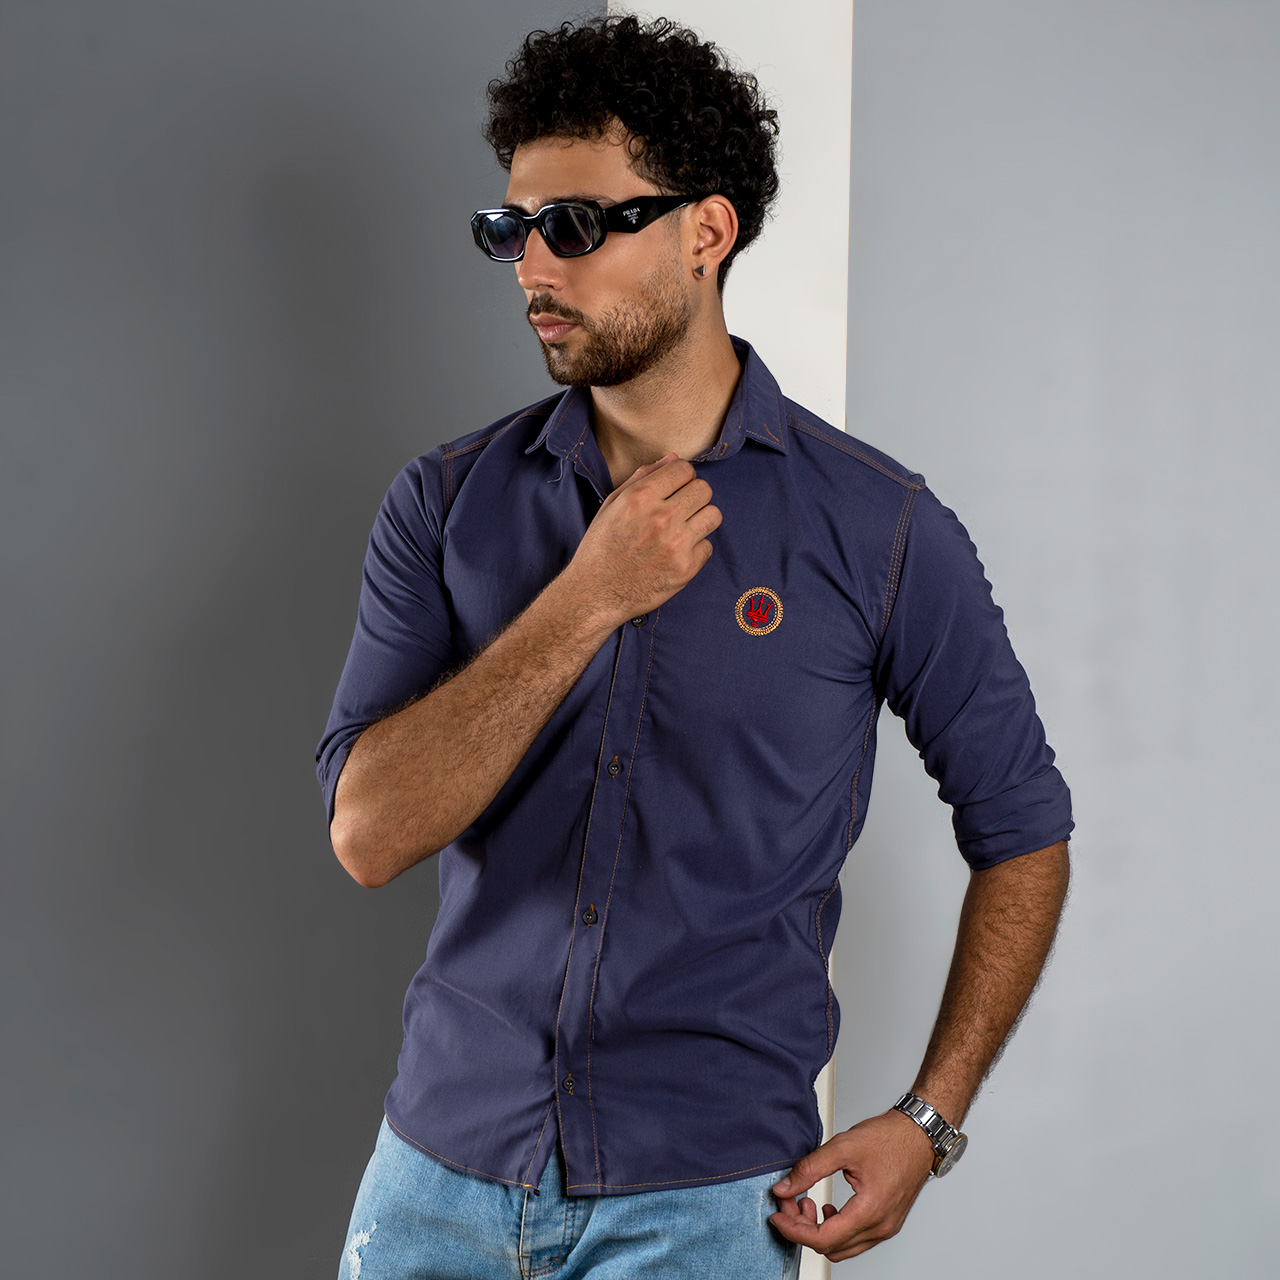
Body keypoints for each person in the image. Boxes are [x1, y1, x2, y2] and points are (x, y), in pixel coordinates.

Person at [317, 14, 1072, 1278]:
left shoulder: (877, 527)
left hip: (706, 1204)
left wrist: (929, 1119)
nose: (530, 266)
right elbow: (368, 834)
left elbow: (1024, 831)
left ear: (704, 232)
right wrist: (584, 600)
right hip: (435, 1178)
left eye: (574, 225)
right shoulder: (445, 503)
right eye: (510, 228)